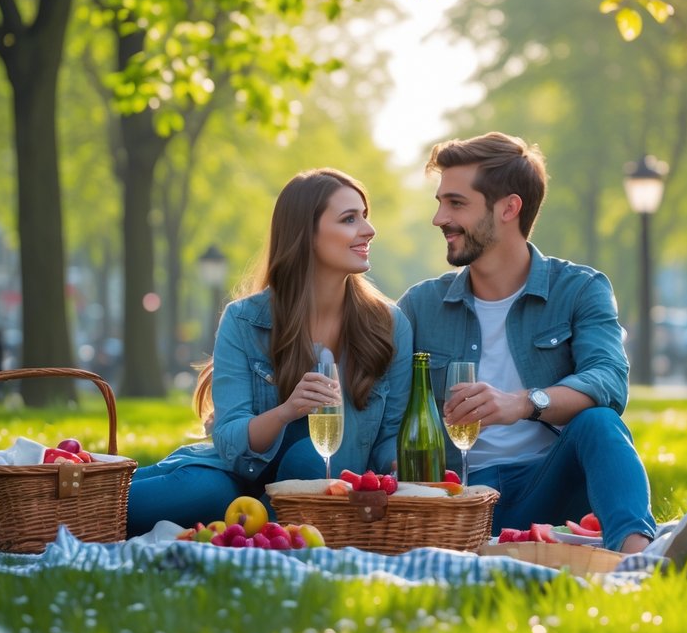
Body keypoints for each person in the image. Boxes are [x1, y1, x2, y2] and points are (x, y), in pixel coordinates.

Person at [397, 131, 660, 555]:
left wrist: (521, 403)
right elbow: (385, 411)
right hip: (456, 501)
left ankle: (638, 560)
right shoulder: (420, 306)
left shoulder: (579, 289)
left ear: (509, 208)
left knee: (599, 422)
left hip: (550, 493)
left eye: (456, 203)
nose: (439, 218)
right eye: (440, 202)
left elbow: (609, 380)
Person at [126, 169, 413, 537]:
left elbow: (391, 436)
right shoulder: (245, 320)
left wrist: (401, 467)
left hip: (324, 483)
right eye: (349, 219)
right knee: (199, 491)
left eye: (365, 215)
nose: (369, 229)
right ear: (306, 234)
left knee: (308, 461)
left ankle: (252, 529)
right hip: (233, 476)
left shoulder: (389, 326)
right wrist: (286, 412)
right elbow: (229, 440)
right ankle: (55, 495)